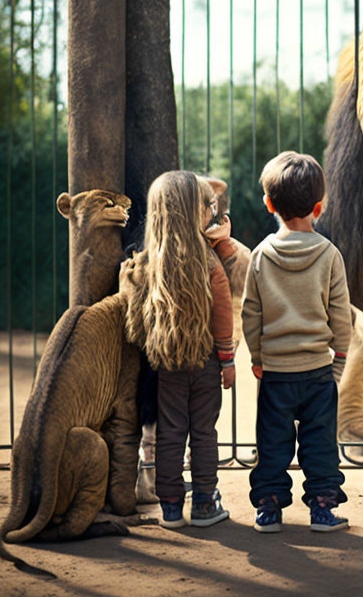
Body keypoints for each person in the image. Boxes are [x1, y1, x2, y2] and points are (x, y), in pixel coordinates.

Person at [242, 151, 352, 533]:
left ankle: (269, 508)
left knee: (272, 442)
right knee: (320, 444)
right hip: (318, 370)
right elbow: (341, 315)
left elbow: (250, 313)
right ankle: (322, 508)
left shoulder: (260, 257)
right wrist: (338, 360)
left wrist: (257, 356)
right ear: (319, 207)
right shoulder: (329, 255)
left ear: (269, 204)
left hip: (275, 371)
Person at [123, 171, 236, 529]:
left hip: (166, 363)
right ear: (195, 213)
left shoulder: (146, 264)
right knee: (204, 432)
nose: (212, 212)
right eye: (209, 206)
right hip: (205, 364)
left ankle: (170, 506)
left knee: (170, 431)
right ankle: (204, 503)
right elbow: (223, 317)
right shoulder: (211, 262)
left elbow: (136, 320)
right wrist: (228, 360)